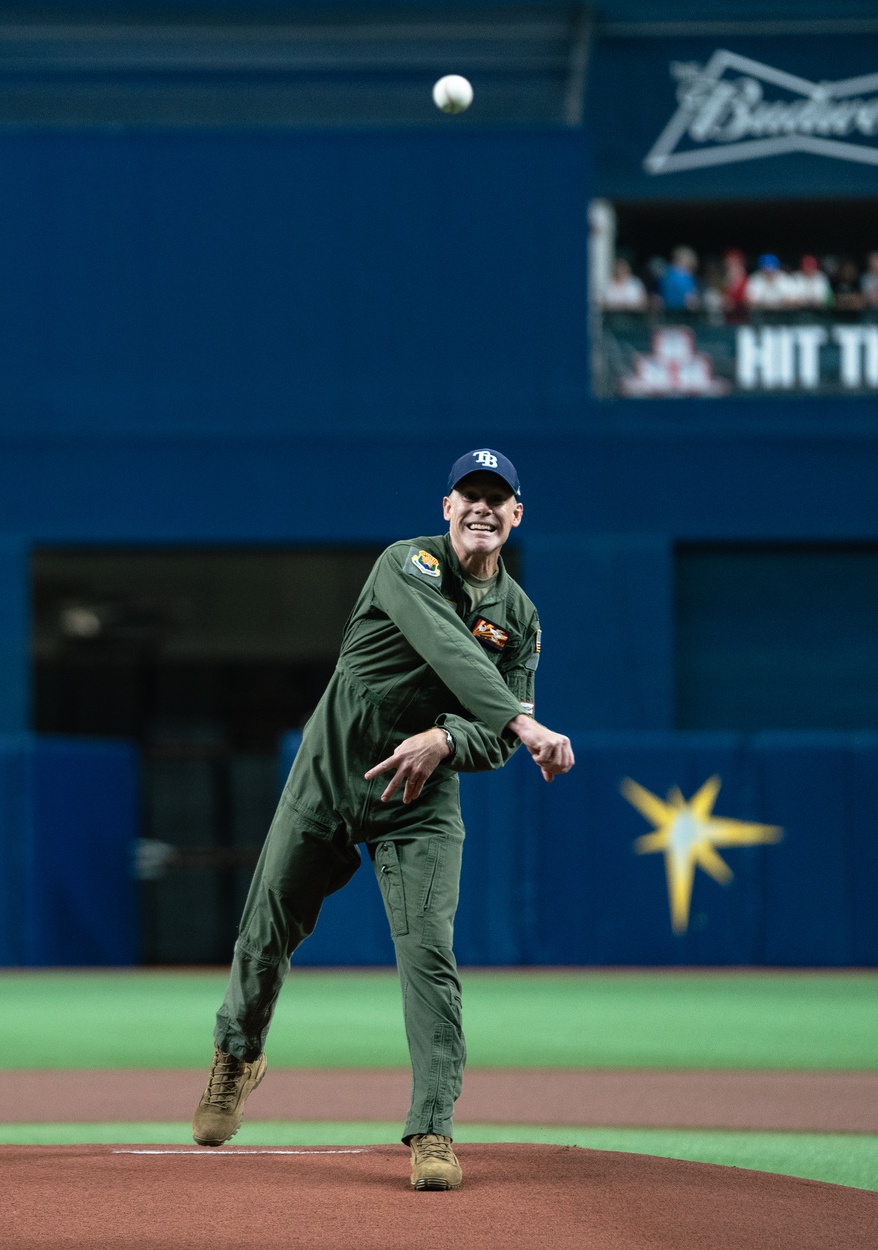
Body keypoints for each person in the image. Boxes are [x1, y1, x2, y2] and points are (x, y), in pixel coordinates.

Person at [192, 449, 574, 1191]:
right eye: (472, 495)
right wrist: (522, 726)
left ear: (517, 515)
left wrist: (447, 738)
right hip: (329, 779)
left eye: (499, 499)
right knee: (266, 931)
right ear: (447, 505)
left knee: (429, 955)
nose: (483, 508)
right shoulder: (407, 564)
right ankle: (237, 1054)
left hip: (418, 804)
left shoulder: (520, 618)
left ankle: (433, 1129)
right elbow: (447, 647)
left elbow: (491, 740)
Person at [658, 246, 700, 312]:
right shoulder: (683, 276)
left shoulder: (666, 273)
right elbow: (691, 302)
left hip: (666, 314)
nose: (694, 261)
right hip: (681, 315)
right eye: (691, 257)